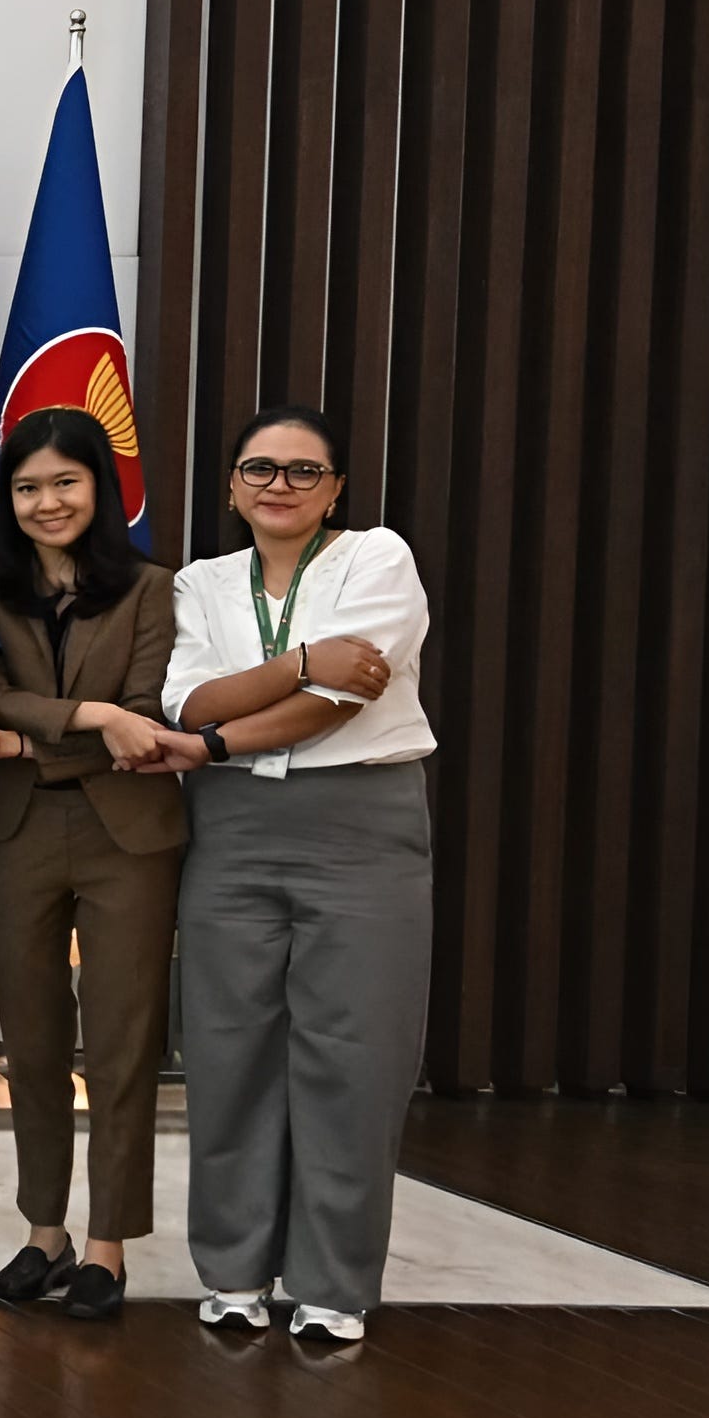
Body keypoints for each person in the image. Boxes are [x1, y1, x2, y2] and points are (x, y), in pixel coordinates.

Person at [161, 407, 434, 1352]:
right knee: (228, 1049)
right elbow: (188, 699)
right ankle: (232, 1272)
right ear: (233, 487)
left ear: (336, 489)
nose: (280, 485)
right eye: (260, 469)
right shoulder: (200, 581)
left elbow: (343, 698)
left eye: (303, 471)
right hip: (231, 829)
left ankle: (333, 1283)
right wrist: (303, 660)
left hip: (361, 823)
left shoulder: (377, 558)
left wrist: (217, 738)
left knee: (354, 1058)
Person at [0, 407, 193, 1322]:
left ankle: (108, 1245)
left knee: (124, 1043)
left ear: (101, 486)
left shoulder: (152, 588)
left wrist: (29, 739)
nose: (47, 502)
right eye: (27, 487)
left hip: (126, 831)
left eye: (66, 482)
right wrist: (92, 718)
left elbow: (149, 716)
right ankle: (44, 1231)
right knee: (31, 1041)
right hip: (14, 829)